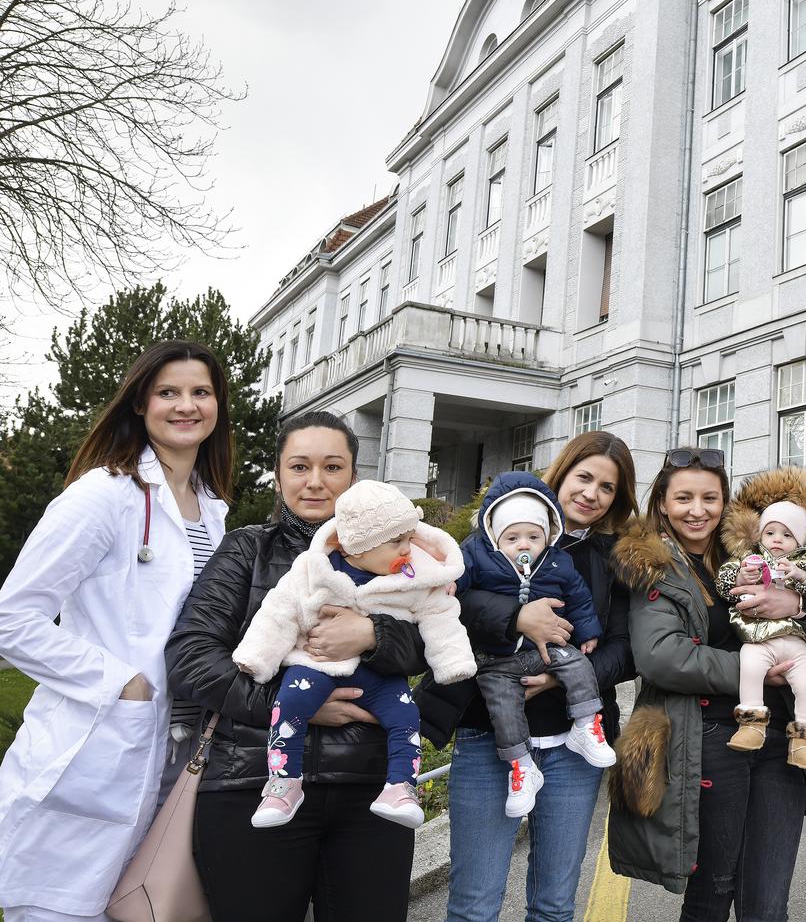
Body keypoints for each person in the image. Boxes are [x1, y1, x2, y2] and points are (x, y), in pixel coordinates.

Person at [0, 340, 232, 922]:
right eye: (168, 393)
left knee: (147, 907)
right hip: (98, 749)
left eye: (200, 392)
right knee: (65, 910)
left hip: (183, 752)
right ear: (140, 403)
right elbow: (13, 618)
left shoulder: (214, 509)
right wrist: (120, 681)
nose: (186, 406)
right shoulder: (104, 495)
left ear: (218, 406)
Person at [167, 411, 429, 922]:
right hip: (252, 782)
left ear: (353, 477)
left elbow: (439, 641)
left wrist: (374, 635)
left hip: (370, 790)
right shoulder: (247, 550)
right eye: (299, 466)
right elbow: (191, 656)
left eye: (332, 467)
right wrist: (296, 708)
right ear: (279, 474)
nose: (315, 482)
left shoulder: (405, 556)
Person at [608, 447, 806, 919]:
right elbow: (660, 656)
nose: (697, 510)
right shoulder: (654, 563)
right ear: (663, 503)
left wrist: (795, 608)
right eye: (684, 498)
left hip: (778, 737)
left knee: (768, 899)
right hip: (707, 737)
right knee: (714, 890)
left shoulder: (748, 553)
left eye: (710, 498)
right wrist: (753, 672)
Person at [426, 431, 639, 922]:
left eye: (607, 488)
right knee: (474, 906)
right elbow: (443, 600)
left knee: (554, 905)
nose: (591, 494)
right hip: (488, 736)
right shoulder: (493, 534)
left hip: (574, 741)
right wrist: (514, 617)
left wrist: (564, 677)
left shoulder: (618, 557)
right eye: (583, 478)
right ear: (560, 475)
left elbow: (627, 650)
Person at [231, 479, 475, 829]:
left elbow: (440, 614)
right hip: (317, 664)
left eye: (410, 537)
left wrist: (452, 661)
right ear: (355, 548)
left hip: (381, 675)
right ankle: (284, 782)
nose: (408, 548)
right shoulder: (314, 569)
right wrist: (257, 655)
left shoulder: (416, 575)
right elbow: (278, 610)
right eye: (396, 542)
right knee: (289, 705)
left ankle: (401, 787)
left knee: (405, 717)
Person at [451, 471, 617, 820]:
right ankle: (520, 765)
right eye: (512, 537)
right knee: (502, 704)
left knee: (576, 663)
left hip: (549, 655)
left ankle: (587, 723)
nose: (523, 545)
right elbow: (456, 593)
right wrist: (515, 616)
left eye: (533, 536)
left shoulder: (559, 560)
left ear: (547, 534)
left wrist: (588, 631)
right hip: (497, 662)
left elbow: (580, 599)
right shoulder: (477, 554)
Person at [714, 468, 806, 770]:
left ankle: (803, 741)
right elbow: (724, 582)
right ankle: (750, 724)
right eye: (770, 533)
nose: (776, 540)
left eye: (786, 535)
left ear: (799, 540)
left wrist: (799, 575)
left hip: (793, 641)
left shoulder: (805, 562)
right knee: (749, 669)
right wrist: (742, 574)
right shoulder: (749, 559)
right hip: (757, 636)